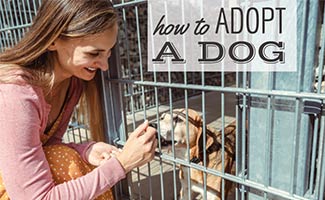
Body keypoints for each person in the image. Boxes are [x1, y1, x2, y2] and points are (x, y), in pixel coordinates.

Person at [0, 0, 157, 199]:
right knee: (65, 162)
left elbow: (49, 147)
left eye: (108, 53)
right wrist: (123, 163)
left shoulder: (72, 84)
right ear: (53, 40)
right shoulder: (15, 94)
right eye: (93, 53)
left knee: (70, 159)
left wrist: (85, 149)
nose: (104, 66)